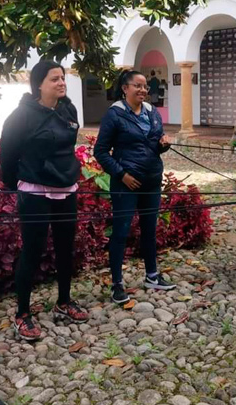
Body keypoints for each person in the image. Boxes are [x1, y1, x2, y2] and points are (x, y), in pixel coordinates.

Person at [0, 60, 88, 341]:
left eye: (62, 78)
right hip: (35, 191)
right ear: (38, 84)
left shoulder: (68, 109)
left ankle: (64, 300)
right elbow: (7, 157)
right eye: (54, 79)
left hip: (66, 188)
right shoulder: (21, 116)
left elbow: (68, 146)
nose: (61, 83)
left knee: (66, 247)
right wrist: (18, 184)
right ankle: (22, 313)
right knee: (33, 252)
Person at [94, 70, 176, 304]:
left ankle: (152, 275)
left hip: (151, 181)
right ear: (124, 88)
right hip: (126, 183)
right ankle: (117, 284)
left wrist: (163, 145)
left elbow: (153, 146)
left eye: (145, 87)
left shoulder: (153, 113)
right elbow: (100, 151)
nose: (142, 90)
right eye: (137, 86)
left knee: (150, 230)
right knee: (121, 232)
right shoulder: (115, 115)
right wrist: (122, 174)